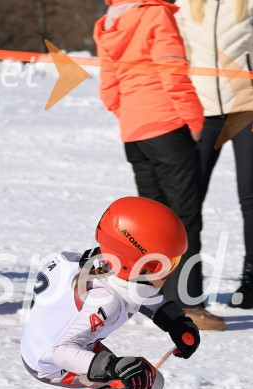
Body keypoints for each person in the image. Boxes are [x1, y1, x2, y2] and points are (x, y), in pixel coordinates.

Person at [21, 196, 214, 389]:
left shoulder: (104, 263)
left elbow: (139, 293)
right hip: (52, 362)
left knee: (119, 374)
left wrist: (174, 321)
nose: (171, 271)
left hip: (50, 344)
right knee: (146, 380)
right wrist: (112, 366)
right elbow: (61, 351)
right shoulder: (107, 301)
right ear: (133, 261)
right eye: (165, 264)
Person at [94, 0, 225, 331]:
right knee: (184, 219)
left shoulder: (108, 22)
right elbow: (173, 72)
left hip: (134, 131)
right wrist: (195, 122)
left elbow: (108, 89)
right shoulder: (155, 13)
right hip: (166, 125)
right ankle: (187, 304)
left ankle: (149, 297)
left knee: (150, 223)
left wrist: (129, 115)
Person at [175, 0, 253, 309]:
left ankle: (251, 285)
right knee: (189, 199)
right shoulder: (185, 4)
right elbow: (180, 56)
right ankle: (184, 282)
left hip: (248, 109)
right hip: (202, 112)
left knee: (249, 195)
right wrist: (185, 111)